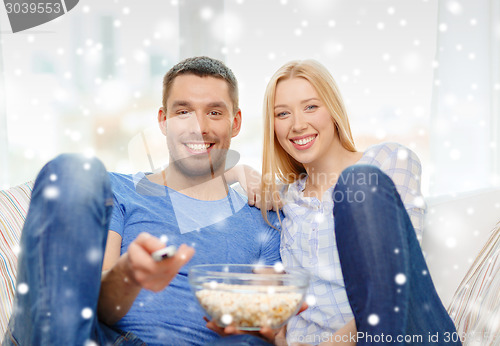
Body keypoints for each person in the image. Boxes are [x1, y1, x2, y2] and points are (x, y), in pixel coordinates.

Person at [3, 56, 281, 346]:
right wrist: (129, 276)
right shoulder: (118, 191)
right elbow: (98, 309)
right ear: (163, 120)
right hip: (92, 337)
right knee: (75, 170)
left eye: (214, 113)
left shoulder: (263, 219)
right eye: (183, 111)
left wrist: (252, 325)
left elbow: (273, 327)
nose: (199, 127)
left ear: (235, 123)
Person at [256, 59, 461, 345]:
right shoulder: (283, 201)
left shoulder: (387, 161)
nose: (298, 124)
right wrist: (236, 170)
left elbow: (398, 275)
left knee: (358, 180)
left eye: (311, 106)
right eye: (282, 114)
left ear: (333, 110)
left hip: (407, 333)